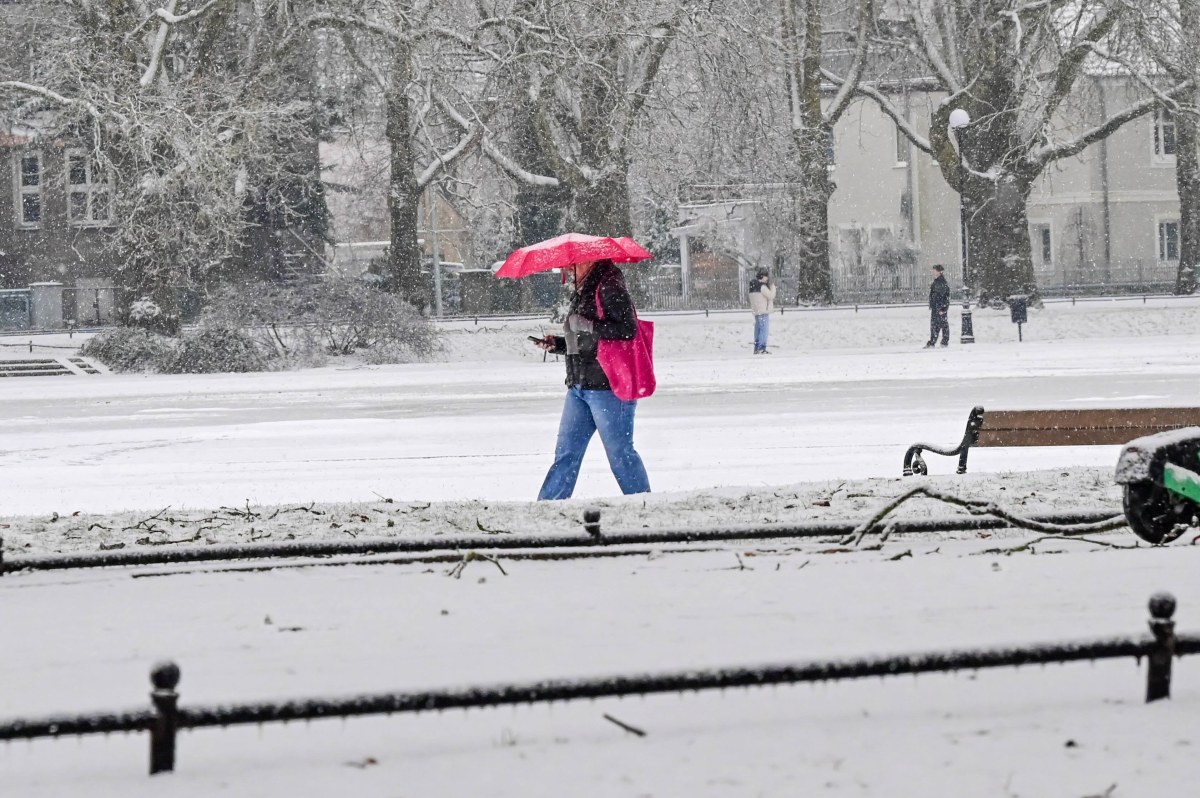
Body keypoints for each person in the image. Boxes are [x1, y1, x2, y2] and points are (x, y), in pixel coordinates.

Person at [531, 259, 651, 500]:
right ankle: (547, 508)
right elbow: (586, 343)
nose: (568, 270)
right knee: (566, 455)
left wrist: (589, 324)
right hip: (579, 387)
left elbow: (628, 329)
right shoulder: (583, 291)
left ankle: (644, 504)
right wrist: (558, 344)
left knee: (620, 456)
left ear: (589, 261)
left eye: (572, 265)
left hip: (607, 387)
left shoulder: (609, 286)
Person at [748, 267, 776, 354]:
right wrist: (772, 286)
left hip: (757, 311)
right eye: (767, 276)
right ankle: (761, 347)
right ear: (763, 276)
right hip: (763, 311)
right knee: (764, 330)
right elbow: (771, 296)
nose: (767, 278)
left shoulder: (753, 285)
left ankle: (757, 347)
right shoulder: (762, 287)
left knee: (758, 329)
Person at [925, 264, 951, 348]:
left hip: (938, 308)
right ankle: (942, 342)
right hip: (938, 308)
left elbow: (943, 297)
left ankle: (935, 342)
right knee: (941, 325)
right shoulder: (938, 282)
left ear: (940, 272)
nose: (933, 272)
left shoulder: (941, 283)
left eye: (935, 271)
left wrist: (942, 308)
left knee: (938, 325)